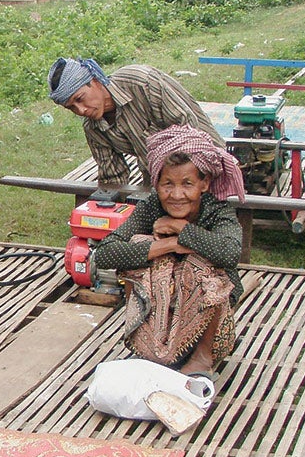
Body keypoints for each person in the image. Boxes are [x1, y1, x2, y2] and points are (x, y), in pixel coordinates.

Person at [92, 126, 245, 380]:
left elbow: (229, 253)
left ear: (204, 183)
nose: (176, 195)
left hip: (209, 328)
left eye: (187, 184)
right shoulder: (152, 206)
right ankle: (148, 349)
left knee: (202, 262)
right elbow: (105, 253)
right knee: (144, 248)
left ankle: (201, 358)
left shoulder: (217, 210)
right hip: (157, 319)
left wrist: (181, 229)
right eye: (167, 185)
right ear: (157, 184)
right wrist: (169, 245)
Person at [47, 58, 223, 189]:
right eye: (71, 108)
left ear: (95, 81)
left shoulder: (141, 83)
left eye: (80, 99)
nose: (81, 110)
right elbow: (112, 178)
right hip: (157, 181)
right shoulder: (93, 127)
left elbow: (190, 134)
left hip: (206, 164)